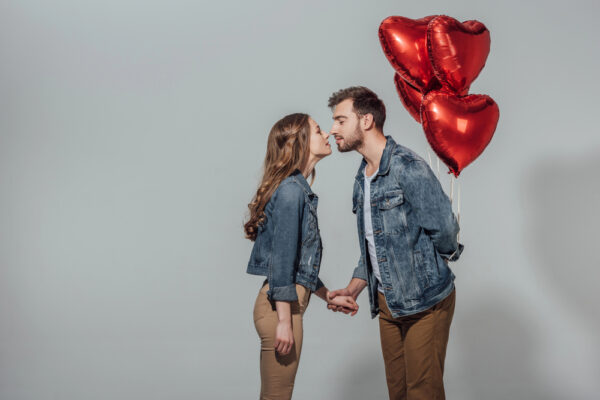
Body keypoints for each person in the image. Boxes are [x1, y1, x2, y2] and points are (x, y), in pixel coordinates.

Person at [326, 87, 464, 400]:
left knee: (422, 393)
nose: (333, 129)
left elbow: (444, 228)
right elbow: (375, 243)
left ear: (366, 121)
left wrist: (424, 270)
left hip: (425, 302)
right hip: (388, 304)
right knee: (399, 393)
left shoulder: (407, 168)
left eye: (340, 120)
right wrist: (354, 287)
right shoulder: (363, 176)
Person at [244, 113, 358, 400]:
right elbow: (282, 261)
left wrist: (327, 295)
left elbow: (296, 264)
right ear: (302, 143)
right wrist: (284, 321)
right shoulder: (292, 192)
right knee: (277, 396)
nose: (327, 135)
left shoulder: (295, 189)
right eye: (319, 131)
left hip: (282, 305)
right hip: (280, 309)